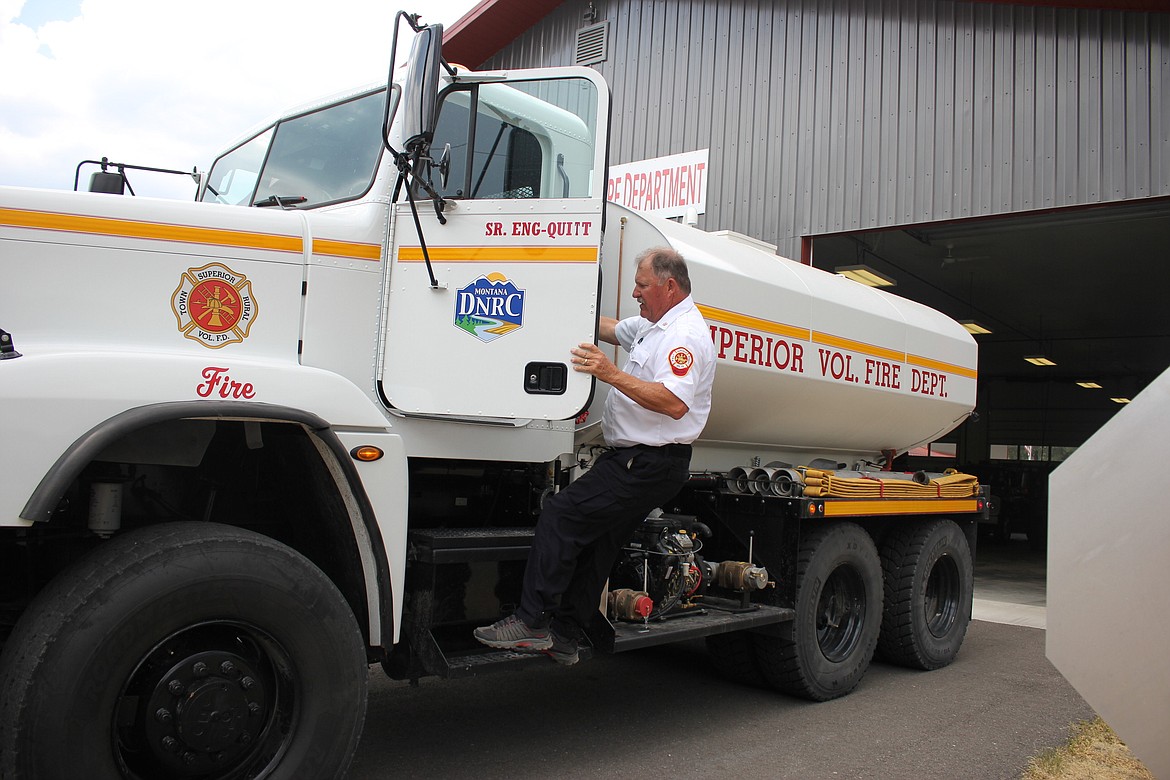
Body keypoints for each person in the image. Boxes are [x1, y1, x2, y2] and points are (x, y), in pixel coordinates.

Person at [473, 246, 716, 665]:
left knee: (561, 516)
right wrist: (560, 309)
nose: (636, 293)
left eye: (642, 285)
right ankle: (566, 634)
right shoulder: (655, 324)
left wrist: (610, 373)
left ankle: (531, 622)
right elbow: (613, 328)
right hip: (640, 461)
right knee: (601, 543)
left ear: (669, 286)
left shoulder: (685, 336)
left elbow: (675, 402)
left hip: (647, 463)